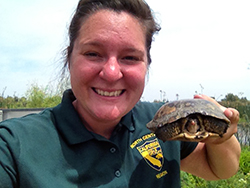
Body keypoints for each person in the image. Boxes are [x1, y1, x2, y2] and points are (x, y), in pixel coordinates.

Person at [0, 0, 240, 187]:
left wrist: (221, 138)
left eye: (130, 57)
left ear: (147, 64)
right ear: (69, 58)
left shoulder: (157, 118)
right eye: (93, 53)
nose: (112, 73)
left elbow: (219, 169)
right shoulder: (13, 146)